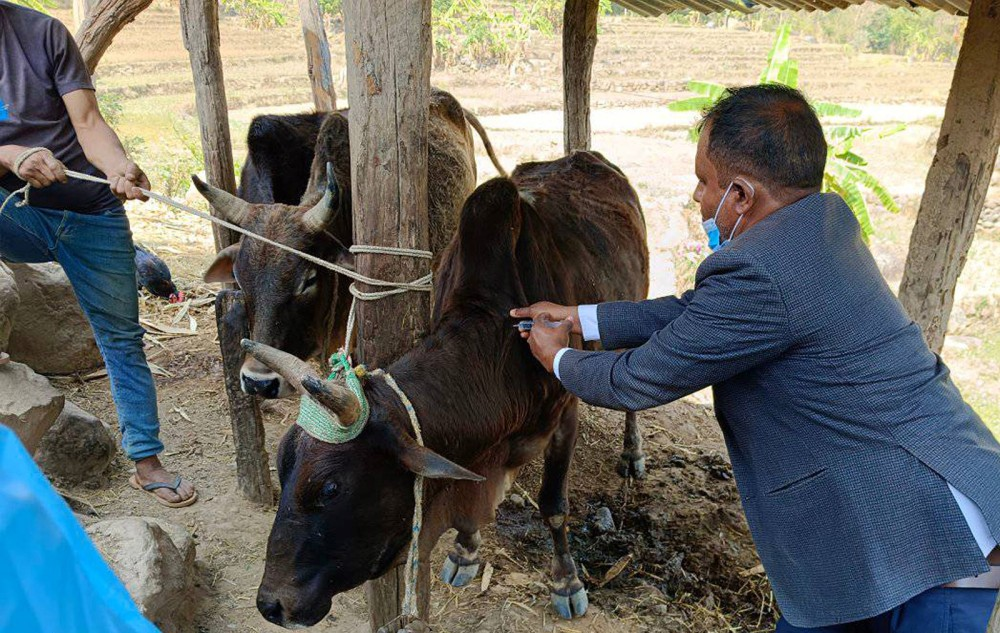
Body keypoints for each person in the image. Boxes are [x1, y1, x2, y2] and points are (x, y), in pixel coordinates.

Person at [513, 85, 999, 632]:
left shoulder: (759, 272)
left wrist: (557, 358)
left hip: (930, 538)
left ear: (740, 194)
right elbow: (698, 311)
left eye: (704, 182)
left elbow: (638, 381)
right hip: (908, 508)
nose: (698, 198)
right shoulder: (821, 224)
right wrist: (583, 317)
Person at [0, 0, 196, 507]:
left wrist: (118, 167)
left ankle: (146, 460)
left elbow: (88, 124)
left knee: (122, 338)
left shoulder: (42, 33)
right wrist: (11, 155)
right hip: (11, 210)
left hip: (89, 213)